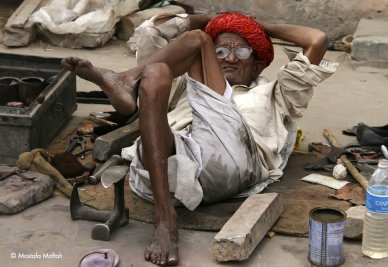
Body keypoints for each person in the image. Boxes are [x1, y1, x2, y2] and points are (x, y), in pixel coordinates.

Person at [62, 12, 337, 266]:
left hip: (232, 163)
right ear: (209, 60)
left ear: (257, 67)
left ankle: (124, 80)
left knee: (197, 39)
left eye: (241, 51)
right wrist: (221, 20)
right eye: (219, 51)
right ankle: (164, 215)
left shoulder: (276, 93)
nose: (229, 58)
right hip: (160, 174)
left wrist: (249, 23)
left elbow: (317, 40)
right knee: (157, 72)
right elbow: (152, 30)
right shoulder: (186, 86)